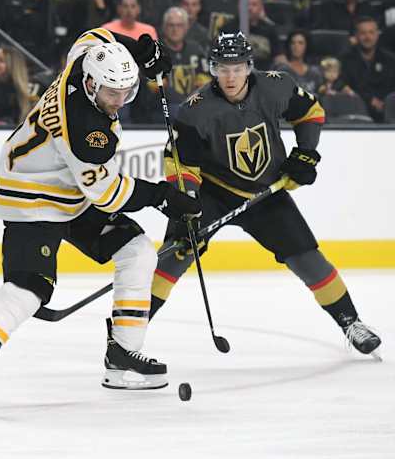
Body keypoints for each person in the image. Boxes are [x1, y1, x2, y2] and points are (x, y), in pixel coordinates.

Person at [0, 28, 201, 403]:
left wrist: (138, 49)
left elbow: (96, 34)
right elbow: (106, 193)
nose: (119, 100)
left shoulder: (84, 61)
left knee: (136, 250)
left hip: (68, 190)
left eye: (126, 92)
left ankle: (123, 357)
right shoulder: (86, 132)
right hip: (31, 195)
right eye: (111, 93)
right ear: (91, 85)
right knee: (30, 287)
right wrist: (162, 196)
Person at [149, 31, 382, 360]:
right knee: (175, 254)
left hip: (265, 192)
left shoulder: (276, 85)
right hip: (212, 193)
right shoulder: (194, 110)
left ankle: (351, 322)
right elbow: (179, 164)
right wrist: (187, 207)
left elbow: (310, 112)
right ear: (212, 68)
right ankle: (129, 330)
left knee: (307, 258)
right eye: (222, 68)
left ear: (249, 66)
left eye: (237, 67)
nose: (230, 76)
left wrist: (305, 153)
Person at [341, 16, 395, 122]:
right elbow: (344, 86)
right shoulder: (345, 60)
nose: (368, 37)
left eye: (371, 32)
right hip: (357, 112)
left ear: (377, 35)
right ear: (356, 36)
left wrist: (384, 102)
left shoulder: (391, 60)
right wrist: (369, 100)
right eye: (363, 33)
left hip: (388, 112)